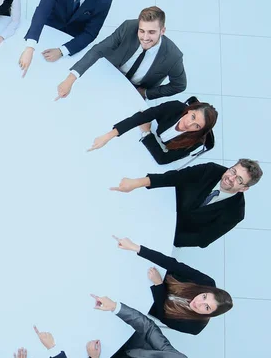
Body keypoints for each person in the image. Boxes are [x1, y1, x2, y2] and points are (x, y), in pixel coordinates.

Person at [110, 159, 264, 248]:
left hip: (173, 232)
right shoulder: (210, 170)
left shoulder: (236, 213)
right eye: (233, 171)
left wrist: (164, 239)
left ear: (244, 188)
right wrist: (137, 182)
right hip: (163, 205)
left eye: (239, 180)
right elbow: (175, 177)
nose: (230, 178)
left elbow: (203, 239)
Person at [56, 6, 186, 101]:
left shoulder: (173, 56)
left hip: (133, 90)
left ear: (162, 31)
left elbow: (179, 85)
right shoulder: (128, 27)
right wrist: (70, 79)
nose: (145, 38)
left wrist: (146, 93)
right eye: (142, 31)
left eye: (151, 32)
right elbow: (98, 49)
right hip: (110, 74)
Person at [113, 236, 233, 334]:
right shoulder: (207, 283)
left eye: (207, 307)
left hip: (147, 301)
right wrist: (137, 248)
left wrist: (159, 285)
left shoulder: (195, 327)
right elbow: (174, 265)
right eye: (204, 296)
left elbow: (163, 316)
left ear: (210, 314)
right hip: (151, 275)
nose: (199, 302)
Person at [19, 0, 112, 77]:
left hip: (72, 37)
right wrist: (30, 47)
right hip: (49, 27)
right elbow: (42, 11)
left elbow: (91, 33)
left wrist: (62, 51)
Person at [88, 99, 218, 165]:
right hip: (154, 142)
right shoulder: (175, 107)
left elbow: (163, 159)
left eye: (197, 126)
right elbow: (142, 117)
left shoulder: (195, 141)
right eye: (193, 117)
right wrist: (109, 136)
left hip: (156, 152)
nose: (189, 124)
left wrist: (146, 133)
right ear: (190, 110)